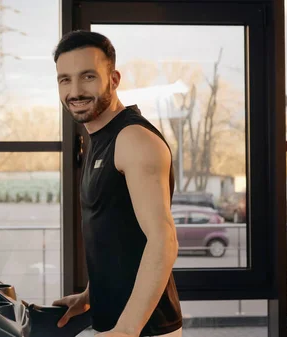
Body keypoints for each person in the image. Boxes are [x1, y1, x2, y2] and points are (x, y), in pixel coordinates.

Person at [51, 30, 183, 337]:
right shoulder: (101, 138)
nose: (75, 90)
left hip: (144, 328)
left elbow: (164, 241)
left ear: (114, 78)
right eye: (64, 79)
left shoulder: (133, 140)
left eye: (87, 77)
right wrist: (91, 293)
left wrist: (126, 328)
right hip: (118, 323)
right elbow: (117, 231)